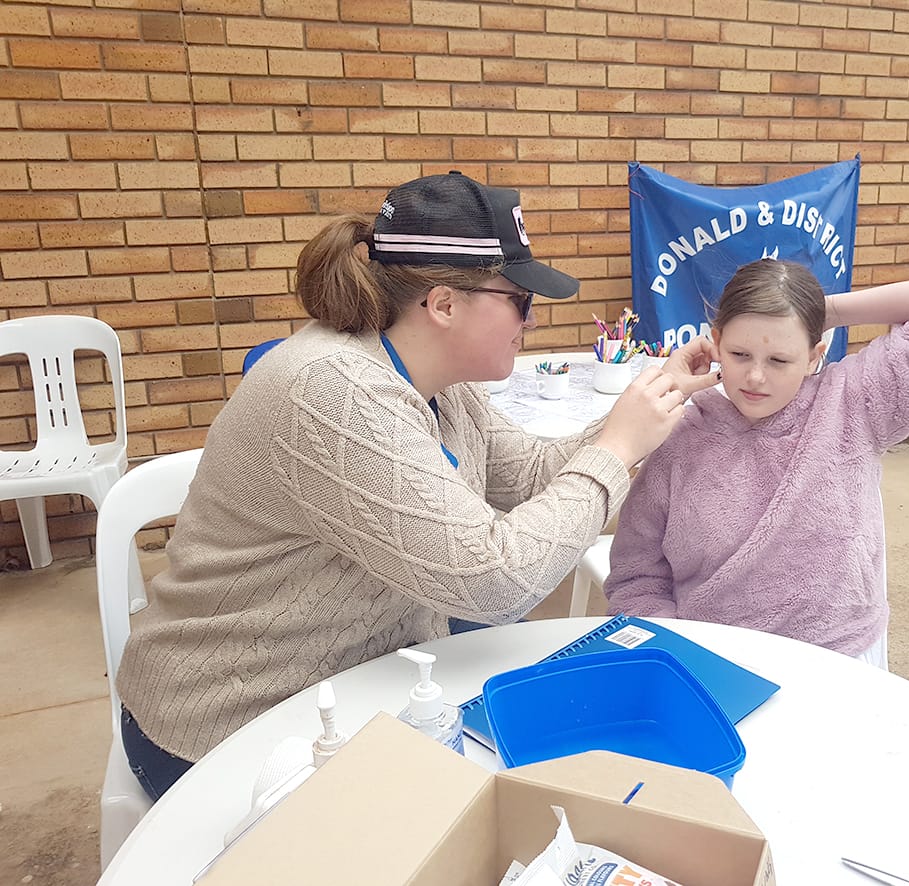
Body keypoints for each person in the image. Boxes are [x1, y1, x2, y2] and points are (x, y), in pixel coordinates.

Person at [115, 171, 720, 798]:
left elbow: (535, 476)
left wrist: (653, 402)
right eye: (521, 300)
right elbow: (493, 580)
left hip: (356, 681)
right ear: (443, 303)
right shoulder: (336, 394)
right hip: (231, 727)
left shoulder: (439, 382)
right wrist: (616, 450)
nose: (531, 321)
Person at [602, 259, 909, 668]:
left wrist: (818, 310)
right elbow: (637, 572)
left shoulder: (854, 403)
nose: (756, 377)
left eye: (780, 360)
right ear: (716, 342)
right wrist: (681, 653)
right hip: (712, 661)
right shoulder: (679, 437)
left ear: (815, 355)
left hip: (837, 655)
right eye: (740, 354)